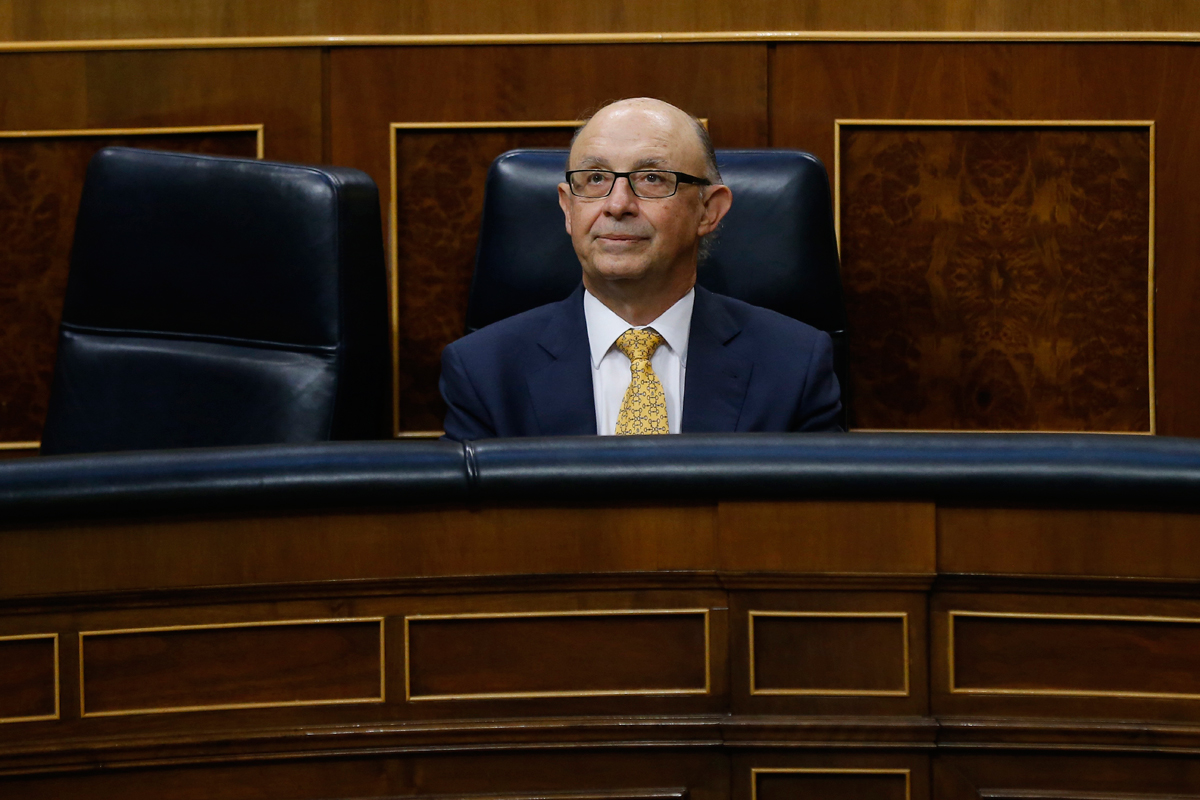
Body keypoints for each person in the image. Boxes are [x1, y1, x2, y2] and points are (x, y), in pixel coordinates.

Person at [439, 97, 841, 441]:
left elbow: (815, 526)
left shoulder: (794, 365)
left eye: (651, 178)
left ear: (709, 209)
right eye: (595, 178)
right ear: (567, 207)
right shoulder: (483, 372)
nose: (617, 204)